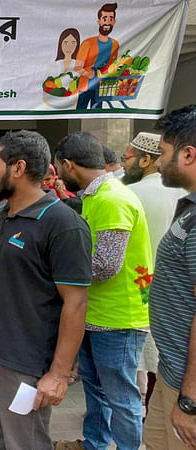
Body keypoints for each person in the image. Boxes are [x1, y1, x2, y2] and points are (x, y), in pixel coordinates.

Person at [0, 130, 92, 449]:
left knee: (25, 442)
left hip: (26, 363)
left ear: (18, 168)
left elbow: (75, 305)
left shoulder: (63, 224)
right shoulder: (3, 215)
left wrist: (59, 374)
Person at [54, 131, 153, 450]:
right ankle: (94, 444)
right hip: (96, 314)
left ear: (68, 165)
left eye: (58, 168)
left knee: (122, 399)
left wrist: (57, 272)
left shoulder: (112, 198)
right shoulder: (96, 196)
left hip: (119, 319)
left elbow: (106, 265)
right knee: (97, 390)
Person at [121, 131, 188, 412]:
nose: (123, 164)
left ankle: (137, 414)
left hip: (137, 287)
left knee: (138, 357)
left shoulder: (128, 194)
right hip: (170, 289)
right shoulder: (184, 194)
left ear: (146, 159)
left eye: (127, 158)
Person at [145, 104, 196, 450]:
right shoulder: (189, 208)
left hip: (187, 388)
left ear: (188, 154)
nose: (158, 162)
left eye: (163, 153)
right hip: (172, 373)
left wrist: (190, 400)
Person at [75, 3, 119, 109]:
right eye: (104, 19)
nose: (107, 22)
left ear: (114, 21)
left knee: (97, 114)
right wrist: (90, 74)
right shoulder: (87, 43)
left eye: (111, 19)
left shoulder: (115, 44)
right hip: (86, 86)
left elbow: (113, 67)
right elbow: (77, 67)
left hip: (101, 87)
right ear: (99, 21)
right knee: (80, 112)